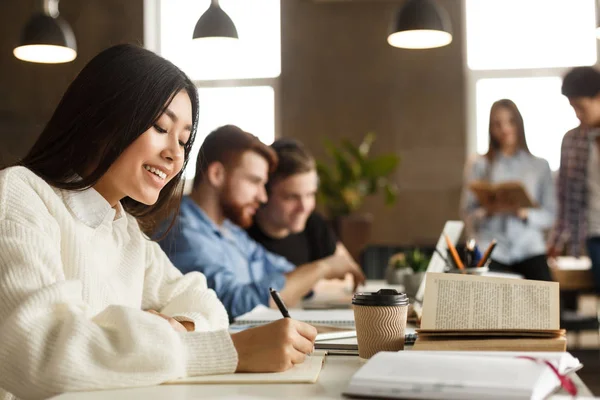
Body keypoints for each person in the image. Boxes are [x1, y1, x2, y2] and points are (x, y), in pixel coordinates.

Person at [0, 44, 316, 400]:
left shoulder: (125, 232)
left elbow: (207, 304)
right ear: (102, 115)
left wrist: (170, 329)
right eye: (159, 126)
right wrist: (227, 351)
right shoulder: (20, 194)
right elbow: (41, 354)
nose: (175, 154)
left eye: (183, 139)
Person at [158, 126, 364, 319]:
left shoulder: (230, 229)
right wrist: (322, 268)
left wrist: (310, 277)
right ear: (217, 174)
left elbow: (279, 270)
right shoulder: (183, 234)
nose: (263, 197)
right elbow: (238, 306)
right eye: (254, 181)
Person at [460, 99, 556, 281]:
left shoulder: (539, 166)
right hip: (492, 246)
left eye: (510, 121)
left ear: (519, 124)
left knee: (548, 300)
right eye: (497, 124)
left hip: (528, 246)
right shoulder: (479, 165)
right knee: (484, 294)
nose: (504, 129)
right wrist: (488, 211)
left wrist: (524, 213)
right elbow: (467, 212)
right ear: (490, 128)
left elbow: (550, 215)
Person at [247, 138, 363, 279]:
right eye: (292, 197)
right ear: (264, 193)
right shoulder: (240, 234)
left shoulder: (314, 223)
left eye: (310, 195)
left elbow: (351, 276)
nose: (304, 207)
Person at [548, 66, 600, 290]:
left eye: (581, 107)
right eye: (573, 107)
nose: (578, 114)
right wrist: (556, 239)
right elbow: (565, 196)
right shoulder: (571, 140)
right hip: (593, 233)